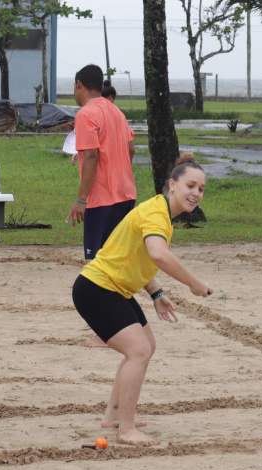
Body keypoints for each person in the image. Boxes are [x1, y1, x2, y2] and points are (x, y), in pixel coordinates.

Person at [72, 153, 213, 447]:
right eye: (190, 186)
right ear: (172, 185)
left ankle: (113, 416)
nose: (196, 194)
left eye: (200, 189)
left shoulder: (161, 212)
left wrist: (156, 293)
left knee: (146, 346)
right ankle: (127, 429)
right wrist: (193, 283)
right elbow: (158, 254)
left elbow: (135, 255)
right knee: (138, 351)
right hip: (97, 289)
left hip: (115, 288)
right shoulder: (156, 213)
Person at [65, 64, 137, 347]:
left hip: (102, 200)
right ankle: (117, 327)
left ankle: (105, 332)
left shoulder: (87, 113)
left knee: (98, 267)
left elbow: (93, 157)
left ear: (79, 85)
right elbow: (130, 148)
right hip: (125, 194)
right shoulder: (114, 110)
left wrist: (81, 200)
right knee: (116, 263)